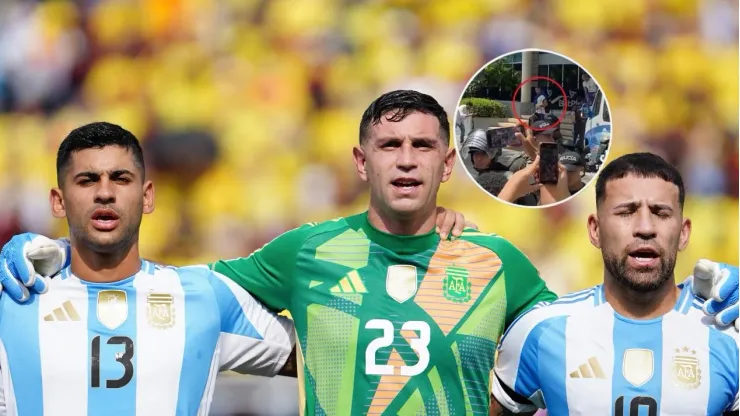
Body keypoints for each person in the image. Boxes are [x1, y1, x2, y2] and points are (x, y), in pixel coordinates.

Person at [1, 92, 737, 416]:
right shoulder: (303, 252)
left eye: (422, 147)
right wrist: (45, 256)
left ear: (448, 164)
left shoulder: (498, 263)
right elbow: (153, 292)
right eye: (390, 146)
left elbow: (586, 343)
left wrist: (713, 297)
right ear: (361, 161)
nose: (406, 161)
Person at [0, 122, 298, 414]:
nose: (105, 192)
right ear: (58, 202)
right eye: (87, 180)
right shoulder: (13, 297)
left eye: (120, 178)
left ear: (147, 197)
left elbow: (324, 354)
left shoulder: (205, 297)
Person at [490, 153, 739, 416]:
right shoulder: (540, 330)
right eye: (626, 212)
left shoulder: (729, 336)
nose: (645, 228)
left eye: (660, 213)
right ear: (595, 229)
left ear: (684, 233)